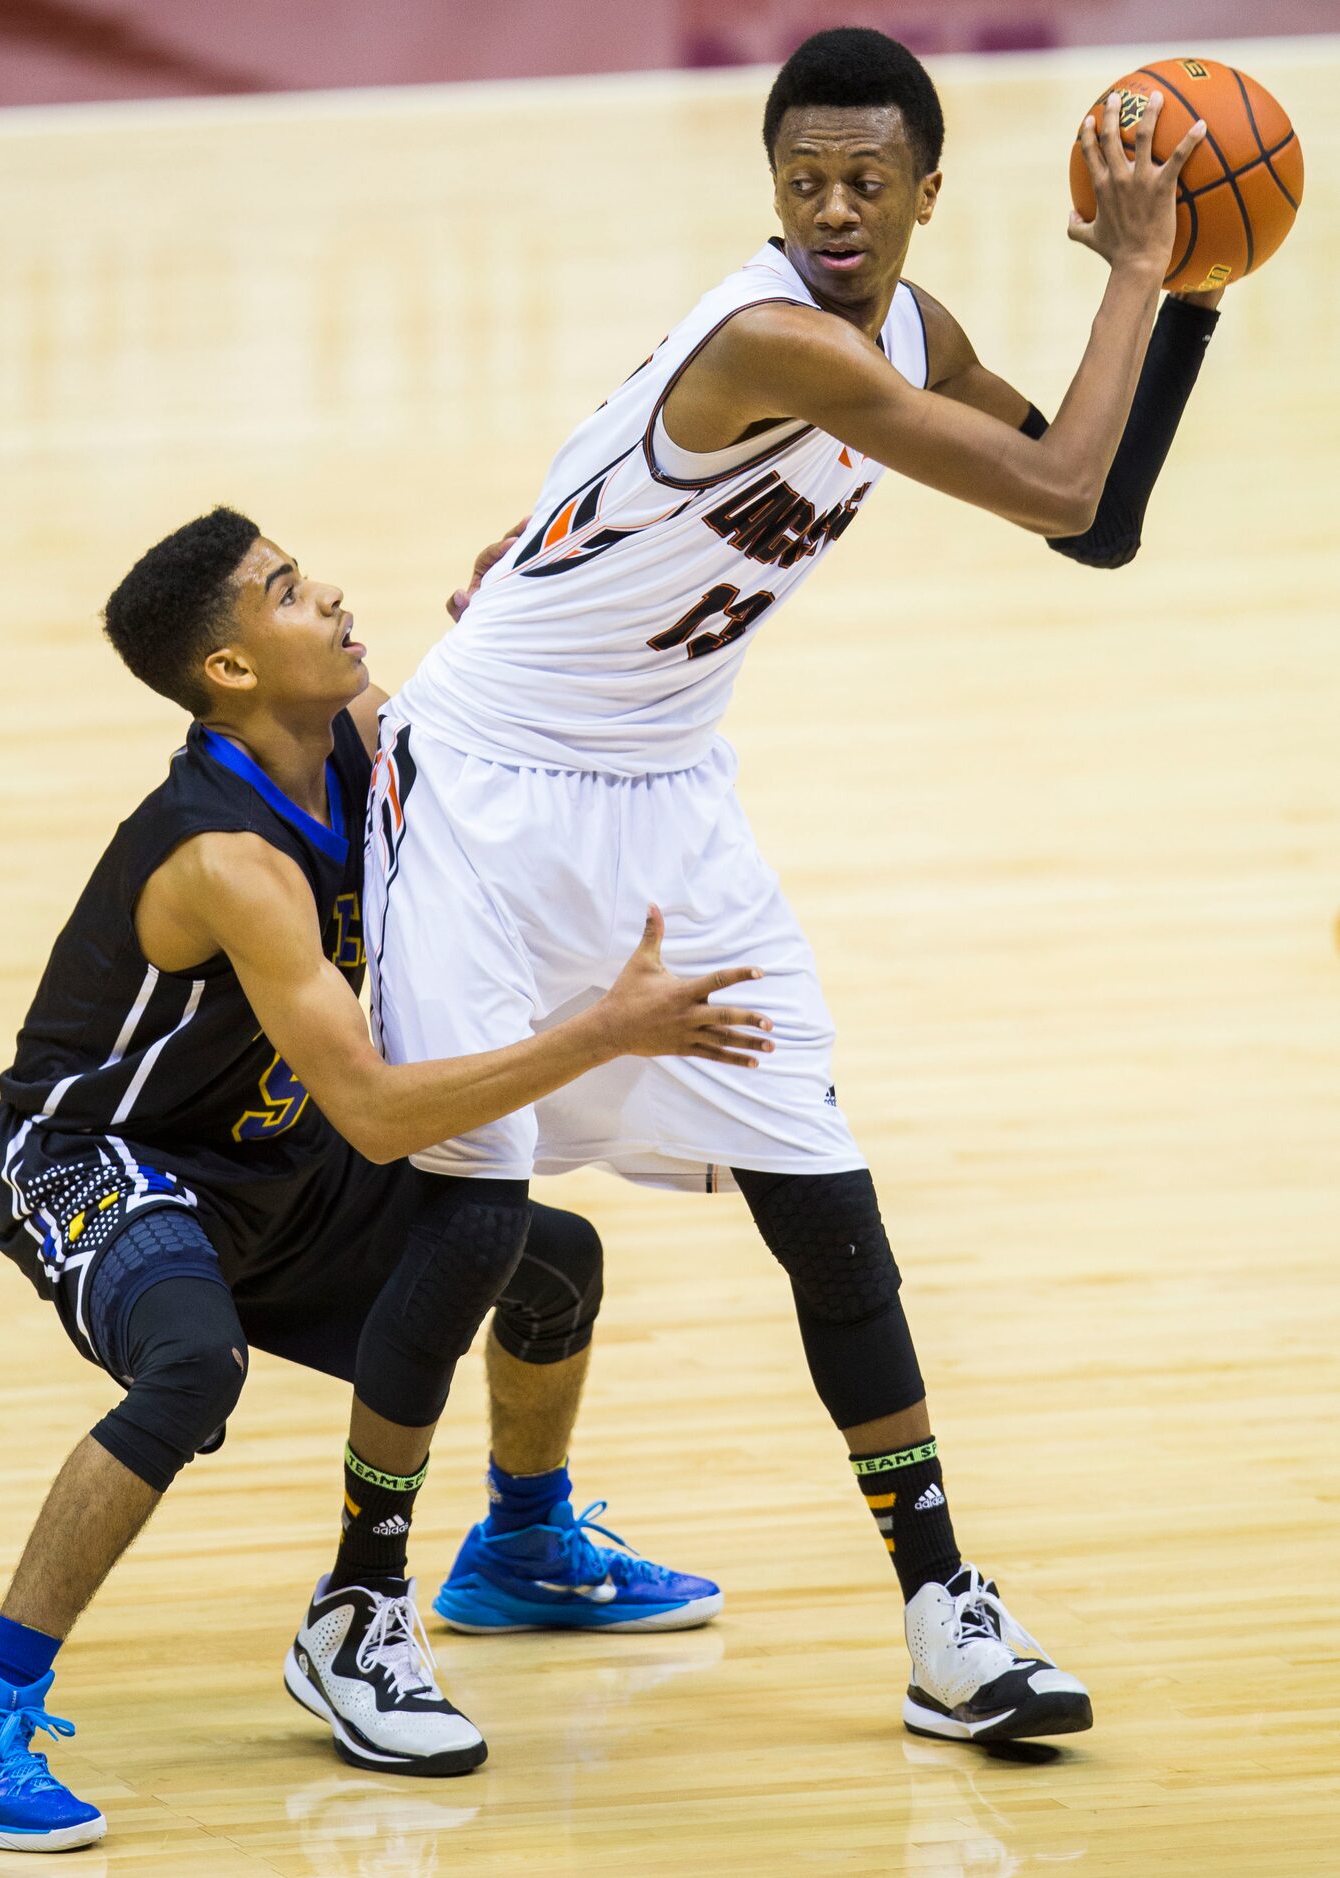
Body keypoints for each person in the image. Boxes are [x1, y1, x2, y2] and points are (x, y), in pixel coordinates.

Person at [368, 27, 1225, 1747]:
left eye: (865, 182)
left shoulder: (909, 334)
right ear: (774, 192)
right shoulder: (774, 336)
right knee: (471, 1210)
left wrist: (1193, 289)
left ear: (924, 193)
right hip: (488, 787)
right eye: (801, 180)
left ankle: (942, 1611)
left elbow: (1093, 518)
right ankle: (361, 1608)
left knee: (822, 1196)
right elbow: (1060, 478)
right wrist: (1140, 261)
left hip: (666, 801)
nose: (834, 210)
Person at [0, 508, 772, 1852]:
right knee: (190, 1368)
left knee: (551, 1264)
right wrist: (602, 1029)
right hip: (98, 1157)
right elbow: (370, 1110)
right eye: (289, 591)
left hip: (264, 1149)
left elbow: (477, 727)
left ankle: (523, 1545)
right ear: (233, 670)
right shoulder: (226, 856)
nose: (334, 596)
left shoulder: (353, 731)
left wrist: (521, 597)